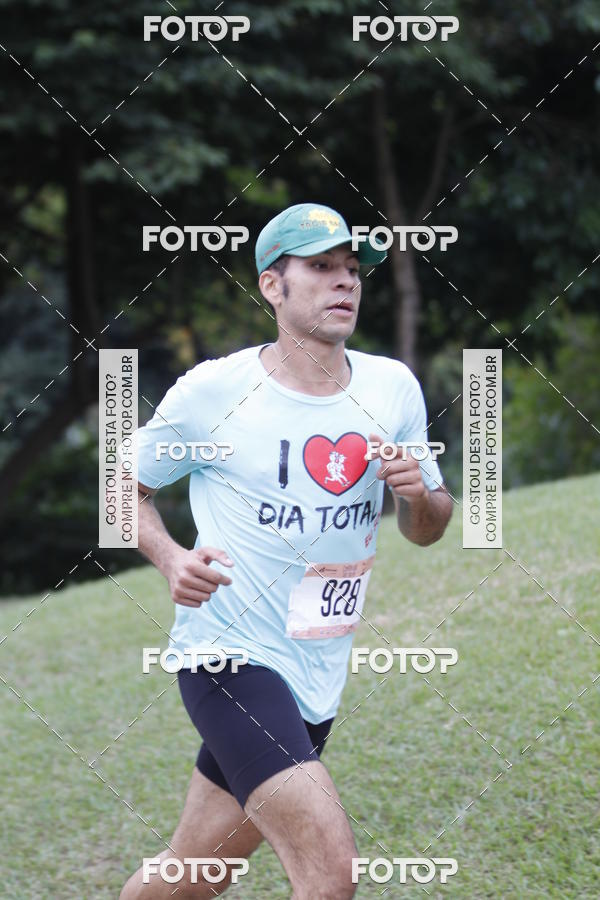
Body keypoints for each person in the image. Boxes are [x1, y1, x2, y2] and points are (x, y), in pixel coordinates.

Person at [120, 202, 453, 899]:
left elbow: (427, 529)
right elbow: (121, 489)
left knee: (189, 877)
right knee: (329, 876)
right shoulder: (217, 391)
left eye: (352, 269)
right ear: (274, 286)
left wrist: (419, 494)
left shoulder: (392, 388)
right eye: (322, 267)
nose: (345, 283)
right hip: (229, 659)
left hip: (317, 672)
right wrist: (170, 558)